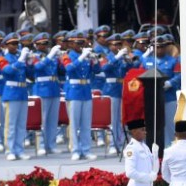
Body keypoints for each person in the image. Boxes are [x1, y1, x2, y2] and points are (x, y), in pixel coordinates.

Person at [62, 31, 100, 160]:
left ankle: (86, 149)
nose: (80, 45)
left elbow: (97, 71)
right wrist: (81, 58)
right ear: (71, 43)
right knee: (74, 123)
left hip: (86, 91)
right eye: (77, 43)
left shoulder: (86, 56)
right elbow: (68, 69)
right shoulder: (68, 55)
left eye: (82, 42)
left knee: (86, 123)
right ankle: (75, 150)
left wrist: (95, 61)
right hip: (74, 91)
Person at [0, 34, 32, 160]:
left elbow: (30, 75)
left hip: (22, 92)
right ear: (6, 45)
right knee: (10, 124)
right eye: (12, 43)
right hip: (11, 93)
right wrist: (21, 60)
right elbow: (8, 72)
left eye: (16, 43)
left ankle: (19, 149)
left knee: (21, 124)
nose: (15, 46)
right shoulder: (2, 58)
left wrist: (29, 62)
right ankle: (10, 150)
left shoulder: (20, 58)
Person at [32, 33, 62, 155]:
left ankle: (51, 145)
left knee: (53, 120)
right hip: (42, 90)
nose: (44, 46)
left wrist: (61, 60)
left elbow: (62, 71)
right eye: (41, 44)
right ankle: (41, 145)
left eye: (46, 43)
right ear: (36, 45)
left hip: (54, 88)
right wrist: (50, 56)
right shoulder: (34, 56)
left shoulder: (53, 56)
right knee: (42, 120)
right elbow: (38, 67)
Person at [100, 34, 129, 155]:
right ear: (109, 45)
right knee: (112, 119)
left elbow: (129, 68)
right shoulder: (106, 56)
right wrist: (117, 57)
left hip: (121, 89)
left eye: (119, 44)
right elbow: (105, 68)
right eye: (114, 44)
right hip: (111, 90)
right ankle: (112, 144)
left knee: (122, 119)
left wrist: (127, 59)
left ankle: (121, 143)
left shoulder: (122, 57)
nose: (117, 46)